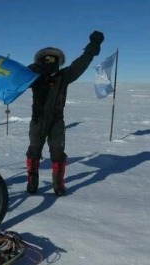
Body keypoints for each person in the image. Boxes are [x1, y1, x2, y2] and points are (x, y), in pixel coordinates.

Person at [25, 31, 105, 196]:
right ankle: (32, 182)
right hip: (38, 121)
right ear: (40, 62)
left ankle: (58, 184)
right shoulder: (33, 77)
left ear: (58, 62)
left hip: (57, 123)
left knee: (58, 153)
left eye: (53, 60)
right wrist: (32, 69)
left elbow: (81, 63)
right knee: (34, 151)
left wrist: (93, 47)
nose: (49, 64)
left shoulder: (64, 76)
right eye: (45, 60)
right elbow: (15, 78)